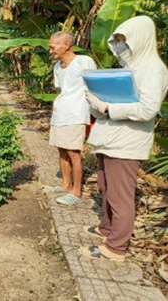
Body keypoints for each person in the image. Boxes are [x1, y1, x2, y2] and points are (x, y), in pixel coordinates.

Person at [80, 15, 168, 262]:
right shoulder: (129, 68)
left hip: (127, 142)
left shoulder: (153, 69)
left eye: (123, 41)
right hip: (110, 137)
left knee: (120, 195)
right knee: (105, 187)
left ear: (139, 40)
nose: (119, 46)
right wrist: (97, 104)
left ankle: (116, 247)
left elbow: (148, 109)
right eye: (116, 41)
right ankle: (106, 228)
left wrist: (108, 108)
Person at [47, 31, 97, 205]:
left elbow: (94, 86)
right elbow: (62, 90)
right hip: (60, 113)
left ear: (66, 45)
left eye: (53, 47)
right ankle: (65, 184)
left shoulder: (83, 62)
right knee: (61, 150)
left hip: (76, 114)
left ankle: (76, 192)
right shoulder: (57, 67)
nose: (50, 51)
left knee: (74, 153)